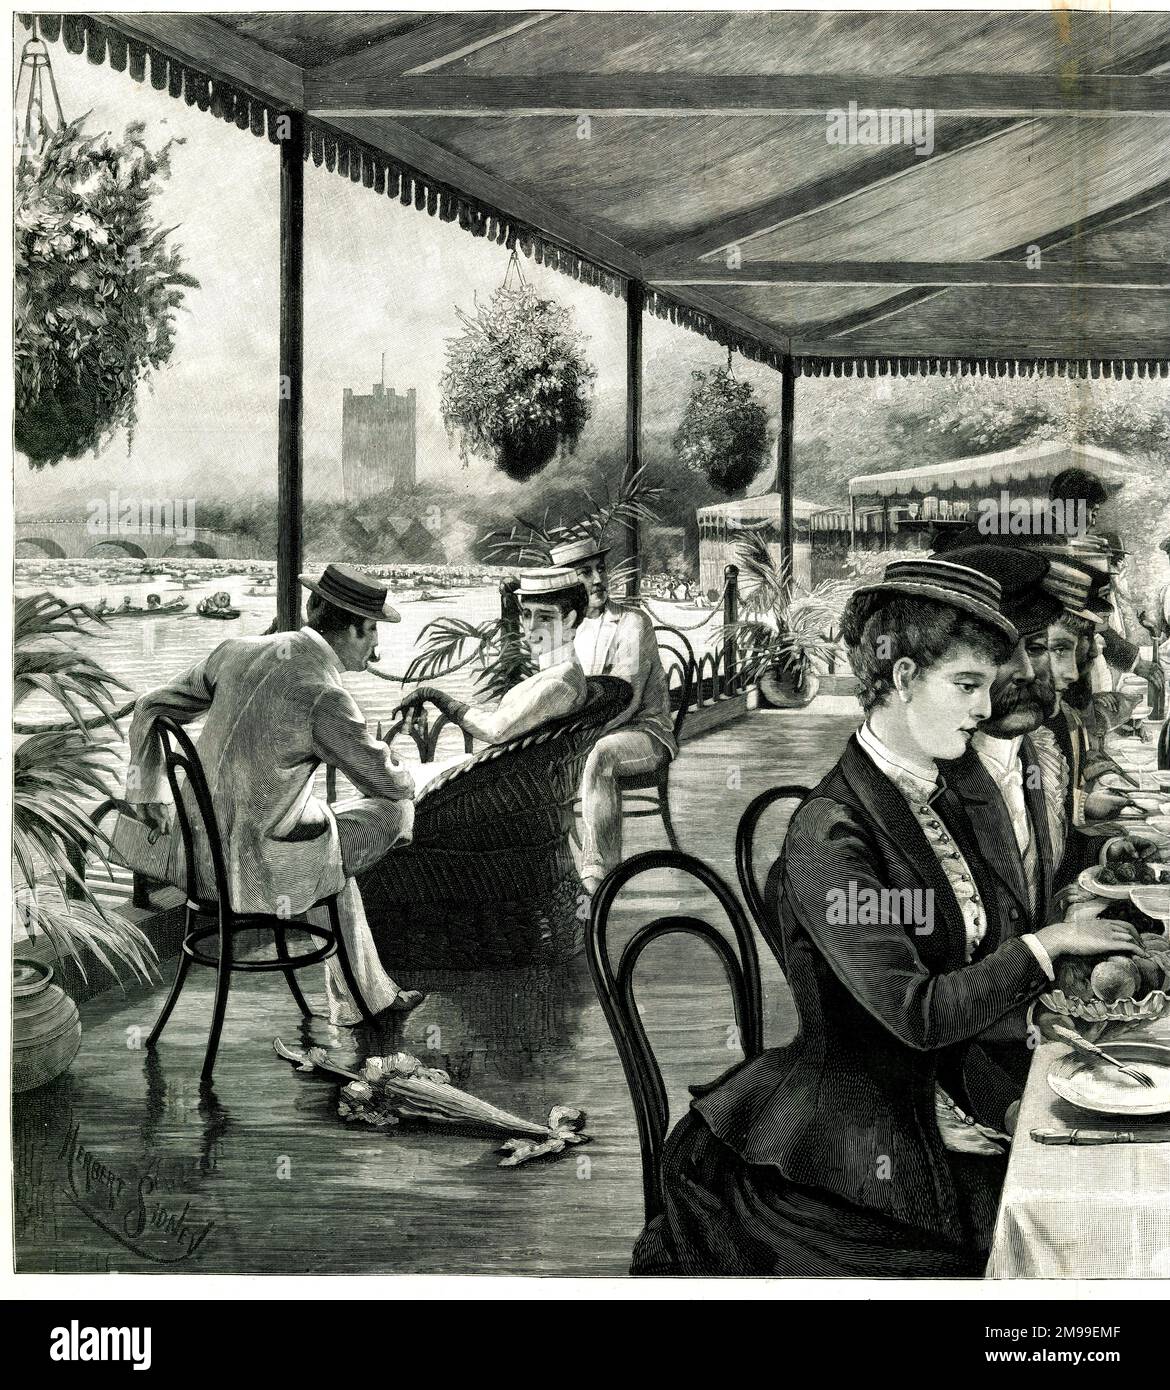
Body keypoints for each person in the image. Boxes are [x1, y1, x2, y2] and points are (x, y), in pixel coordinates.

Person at [631, 557, 1149, 1276]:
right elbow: (917, 1014)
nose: (982, 707)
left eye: (986, 687)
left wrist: (1030, 1033)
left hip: (935, 1111)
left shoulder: (941, 796)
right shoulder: (829, 833)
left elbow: (964, 981)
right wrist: (1045, 945)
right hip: (836, 1155)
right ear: (903, 679)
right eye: (966, 686)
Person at [123, 562, 424, 1025]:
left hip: (188, 854)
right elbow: (385, 783)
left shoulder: (236, 651)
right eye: (373, 633)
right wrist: (406, 770)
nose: (377, 648)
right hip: (252, 874)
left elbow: (149, 705)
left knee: (329, 842)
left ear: (312, 609)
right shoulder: (326, 695)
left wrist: (147, 786)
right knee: (395, 812)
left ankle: (366, 998)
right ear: (355, 630)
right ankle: (361, 1001)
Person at [547, 534, 677, 894]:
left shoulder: (633, 623)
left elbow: (626, 699)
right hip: (587, 734)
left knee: (600, 756)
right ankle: (550, 873)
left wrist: (578, 738)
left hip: (644, 733)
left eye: (600, 569)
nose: (599, 580)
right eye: (585, 573)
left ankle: (599, 873)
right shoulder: (559, 631)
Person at [392, 568, 589, 788]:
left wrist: (433, 695)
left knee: (390, 779)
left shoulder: (559, 683)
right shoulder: (560, 672)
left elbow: (494, 730)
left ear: (569, 619)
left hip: (507, 788)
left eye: (544, 616)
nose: (530, 627)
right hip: (505, 778)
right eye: (526, 614)